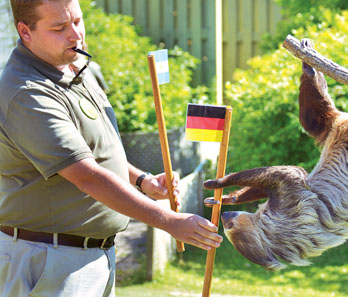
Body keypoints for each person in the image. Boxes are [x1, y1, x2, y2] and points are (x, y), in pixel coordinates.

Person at [0, 0, 222, 296]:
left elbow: (94, 150)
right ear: (25, 32)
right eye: (59, 27)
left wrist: (143, 181)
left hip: (92, 256)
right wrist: (168, 221)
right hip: (47, 260)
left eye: (77, 21)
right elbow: (86, 175)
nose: (76, 35)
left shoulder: (76, 65)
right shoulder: (26, 92)